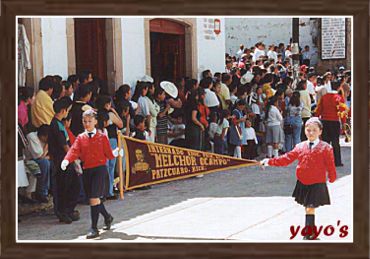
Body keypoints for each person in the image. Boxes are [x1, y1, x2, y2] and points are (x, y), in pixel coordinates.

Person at [261, 117, 336, 240]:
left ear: (320, 131)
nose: (311, 133)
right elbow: (286, 159)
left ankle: (309, 233)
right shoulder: (300, 146)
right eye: (308, 130)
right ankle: (310, 232)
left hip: (317, 182)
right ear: (304, 130)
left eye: (314, 130)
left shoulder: (326, 147)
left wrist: (332, 177)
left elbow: (330, 164)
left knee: (310, 207)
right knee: (308, 207)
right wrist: (269, 161)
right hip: (303, 182)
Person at [61, 109, 121, 239]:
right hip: (87, 170)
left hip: (99, 170)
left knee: (94, 198)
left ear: (95, 121)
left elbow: (108, 154)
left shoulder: (102, 136)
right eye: (85, 121)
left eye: (90, 121)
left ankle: (94, 228)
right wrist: (67, 160)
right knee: (94, 199)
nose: (87, 123)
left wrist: (115, 152)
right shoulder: (80, 138)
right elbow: (74, 151)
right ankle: (107, 217)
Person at [48, 97, 80, 224]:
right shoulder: (56, 125)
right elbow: (64, 145)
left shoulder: (59, 124)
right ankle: (63, 212)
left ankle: (69, 210)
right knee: (63, 187)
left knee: (73, 185)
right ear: (63, 110)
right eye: (67, 110)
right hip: (61, 161)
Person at [95, 95, 123, 199]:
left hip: (104, 141)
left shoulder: (96, 114)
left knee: (105, 167)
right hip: (111, 140)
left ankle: (104, 192)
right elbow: (120, 124)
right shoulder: (110, 114)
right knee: (110, 167)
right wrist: (115, 112)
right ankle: (109, 191)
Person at [315, 81, 345, 167]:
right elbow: (342, 112)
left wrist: (316, 118)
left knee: (325, 142)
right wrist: (343, 123)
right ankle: (337, 161)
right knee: (335, 142)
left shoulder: (324, 97)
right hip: (334, 121)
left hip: (324, 121)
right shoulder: (339, 98)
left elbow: (318, 109)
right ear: (339, 87)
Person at [25, 124, 51, 203]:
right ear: (43, 136)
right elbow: (38, 156)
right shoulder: (32, 137)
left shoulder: (46, 139)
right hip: (29, 160)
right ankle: (42, 192)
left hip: (40, 159)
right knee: (45, 163)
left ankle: (49, 190)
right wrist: (47, 146)